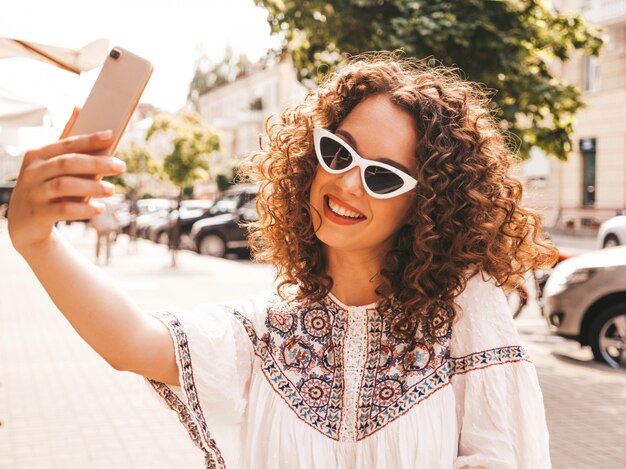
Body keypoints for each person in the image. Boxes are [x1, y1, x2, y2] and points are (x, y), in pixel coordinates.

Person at [7, 55, 557, 468]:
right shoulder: (267, 331)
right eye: (337, 152)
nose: (345, 182)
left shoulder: (466, 312)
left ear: (428, 202)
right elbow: (132, 342)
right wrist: (37, 241)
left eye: (383, 175)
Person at [89, 198, 119, 264]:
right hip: (108, 225)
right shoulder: (110, 202)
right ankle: (107, 259)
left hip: (99, 224)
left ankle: (97, 257)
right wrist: (117, 224)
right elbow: (113, 214)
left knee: (98, 242)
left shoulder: (97, 202)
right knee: (108, 243)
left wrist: (92, 223)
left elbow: (93, 215)